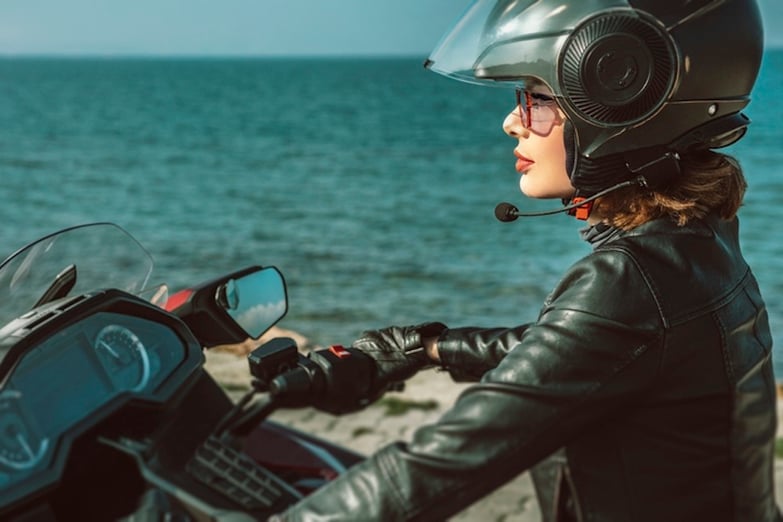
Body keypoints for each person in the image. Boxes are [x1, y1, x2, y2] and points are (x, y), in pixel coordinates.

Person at [273, 0, 780, 520]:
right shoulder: (699, 242)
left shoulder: (629, 278)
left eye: (536, 99)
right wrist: (428, 349)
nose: (511, 123)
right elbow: (585, 349)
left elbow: (438, 465)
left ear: (619, 104)